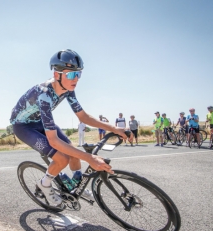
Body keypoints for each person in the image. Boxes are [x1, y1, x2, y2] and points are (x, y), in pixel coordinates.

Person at [10, 49, 128, 207]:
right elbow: (53, 141)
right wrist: (90, 158)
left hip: (39, 121)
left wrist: (113, 128)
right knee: (62, 158)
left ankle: (76, 185)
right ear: (57, 74)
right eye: (71, 74)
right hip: (23, 126)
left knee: (73, 153)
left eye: (78, 74)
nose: (76, 79)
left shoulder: (68, 90)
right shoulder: (44, 94)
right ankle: (44, 185)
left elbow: (83, 117)